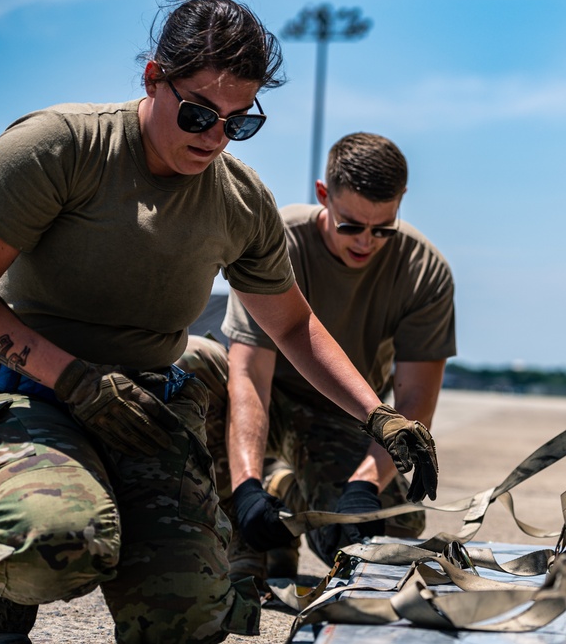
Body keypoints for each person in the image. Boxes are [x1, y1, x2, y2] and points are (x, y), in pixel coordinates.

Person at [0, 0, 437, 644]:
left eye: (239, 122)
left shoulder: (239, 199)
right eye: (200, 113)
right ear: (153, 77)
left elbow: (290, 325)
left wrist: (379, 414)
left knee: (190, 618)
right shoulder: (62, 147)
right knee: (53, 539)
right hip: (23, 395)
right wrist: (77, 381)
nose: (215, 137)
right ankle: (2, 611)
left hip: (142, 411)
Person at [179, 132, 455, 582]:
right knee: (191, 360)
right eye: (351, 226)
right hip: (258, 398)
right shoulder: (278, 241)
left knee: (388, 530)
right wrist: (246, 487)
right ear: (323, 195)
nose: (367, 241)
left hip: (340, 413)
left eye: (382, 228)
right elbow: (249, 377)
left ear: (402, 200)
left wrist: (366, 483)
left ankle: (286, 488)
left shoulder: (425, 272)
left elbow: (414, 399)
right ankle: (241, 532)